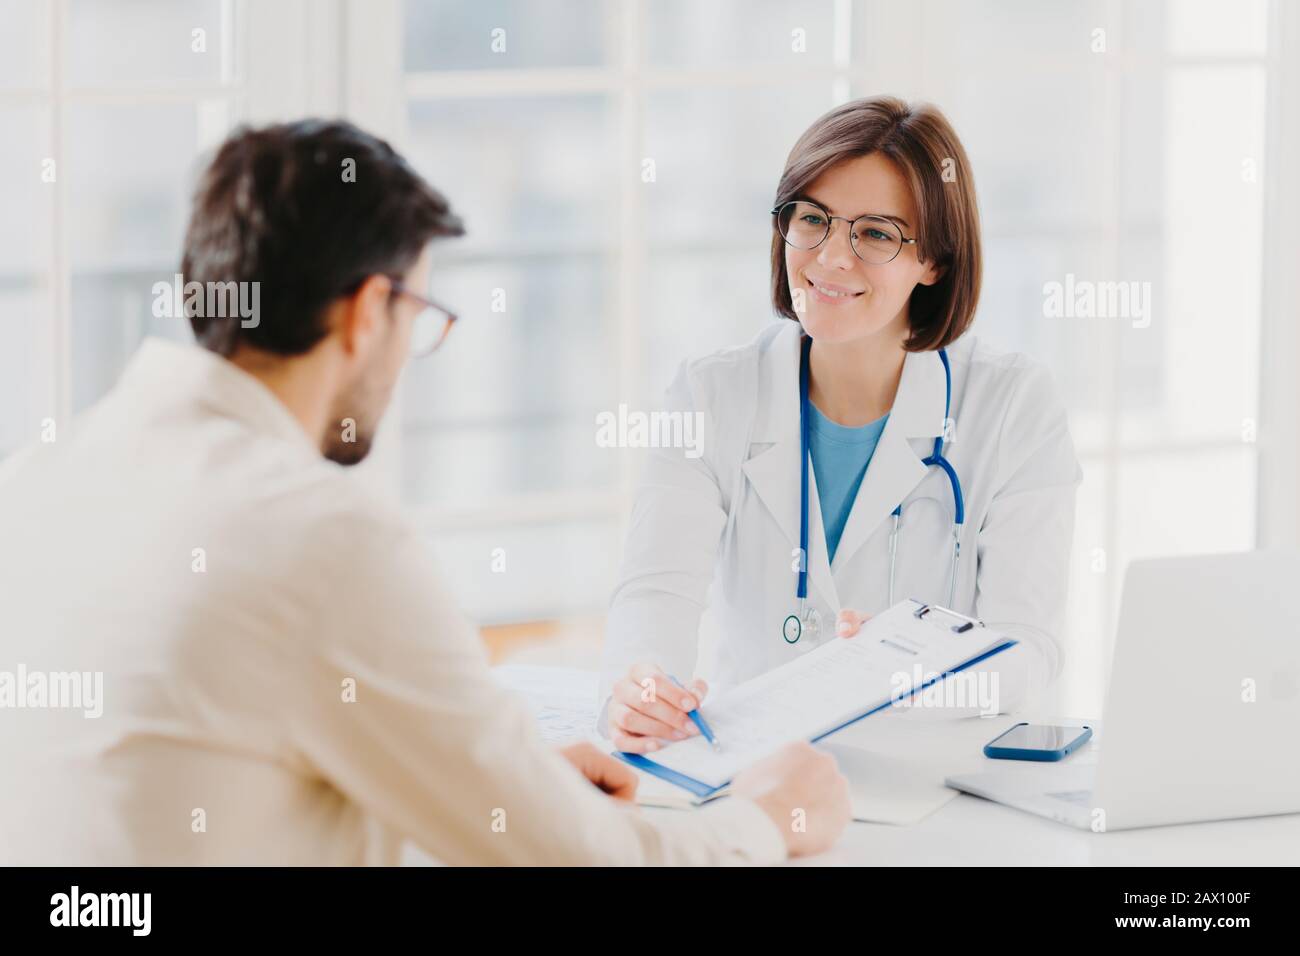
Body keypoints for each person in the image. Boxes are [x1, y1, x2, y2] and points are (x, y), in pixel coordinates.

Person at [0, 119, 849, 865]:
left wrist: (500, 786)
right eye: (419, 317)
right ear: (371, 310)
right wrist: (767, 818)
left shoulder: (40, 478)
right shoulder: (318, 537)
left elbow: (207, 763)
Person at [600, 96, 1083, 754]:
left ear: (934, 260)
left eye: (877, 234)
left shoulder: (1012, 405)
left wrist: (913, 676)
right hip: (755, 773)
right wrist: (641, 687)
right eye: (813, 220)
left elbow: (1030, 647)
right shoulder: (712, 394)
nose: (830, 257)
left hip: (931, 780)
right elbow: (655, 591)